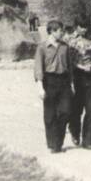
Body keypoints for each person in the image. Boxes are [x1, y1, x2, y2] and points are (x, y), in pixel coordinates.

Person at [33, 20, 74, 153]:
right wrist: (40, 87)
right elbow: (38, 67)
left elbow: (70, 67)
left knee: (66, 111)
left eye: (62, 30)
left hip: (63, 81)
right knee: (50, 115)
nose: (62, 33)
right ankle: (53, 144)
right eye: (59, 30)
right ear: (51, 31)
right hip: (49, 81)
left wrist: (71, 84)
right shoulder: (42, 47)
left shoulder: (65, 47)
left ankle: (58, 142)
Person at [67, 19, 91, 149]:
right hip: (77, 77)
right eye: (81, 27)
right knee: (76, 110)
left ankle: (88, 140)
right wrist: (80, 67)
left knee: (90, 110)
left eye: (86, 27)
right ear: (76, 27)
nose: (84, 29)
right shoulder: (70, 41)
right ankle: (75, 132)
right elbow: (68, 61)